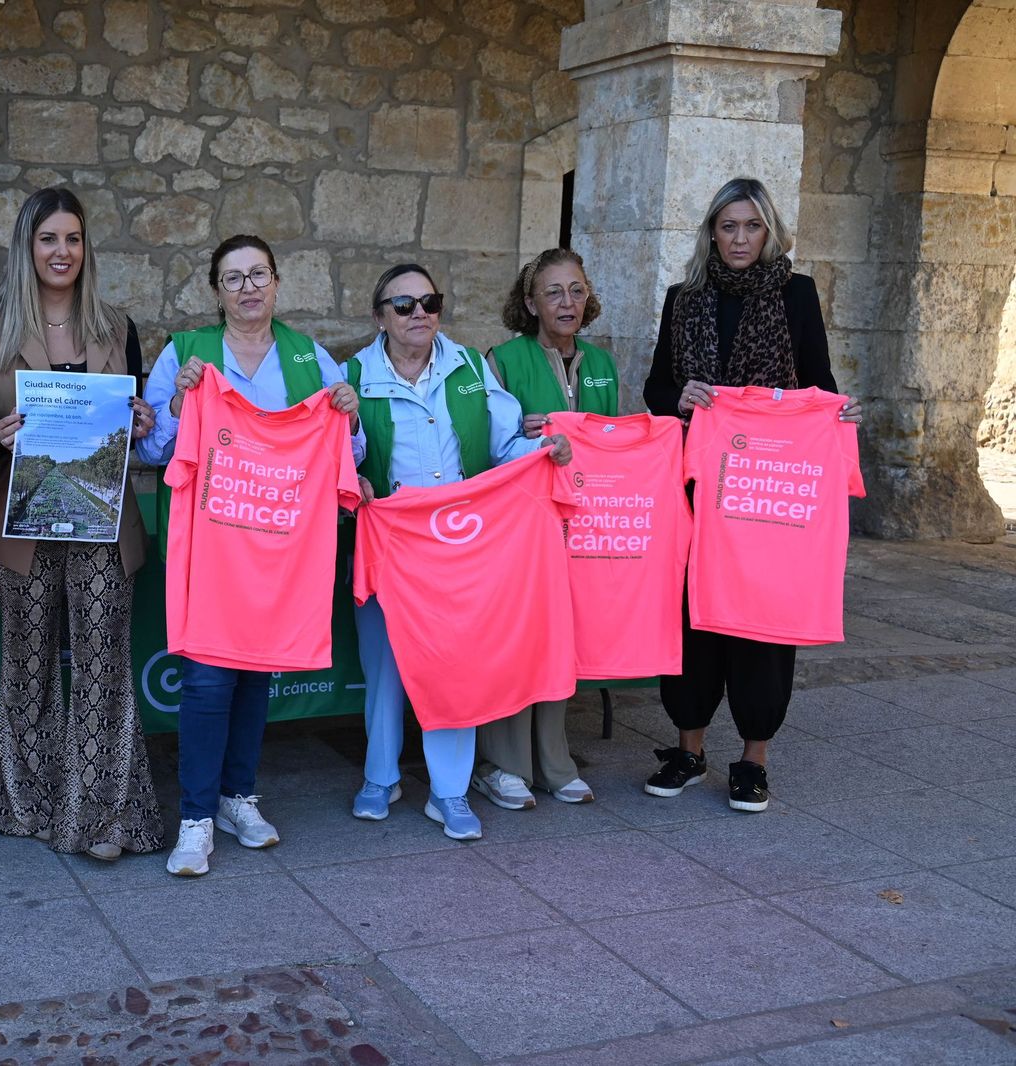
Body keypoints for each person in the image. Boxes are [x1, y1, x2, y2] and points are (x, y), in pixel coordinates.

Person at [139, 233, 364, 876]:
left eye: (258, 275)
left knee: (257, 676)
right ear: (216, 290)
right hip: (212, 550)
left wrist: (347, 415)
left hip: (280, 548)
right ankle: (195, 817)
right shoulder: (186, 354)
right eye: (233, 278)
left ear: (276, 282)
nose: (247, 288)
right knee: (209, 681)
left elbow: (350, 458)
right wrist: (180, 403)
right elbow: (155, 454)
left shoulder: (309, 357)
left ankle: (239, 796)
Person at [642, 176, 863, 813]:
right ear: (712, 231)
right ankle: (688, 747)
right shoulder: (683, 299)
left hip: (767, 489)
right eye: (729, 226)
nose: (740, 238)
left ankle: (752, 759)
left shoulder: (796, 294)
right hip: (697, 483)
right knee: (693, 617)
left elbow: (817, 381)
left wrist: (834, 416)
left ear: (769, 232)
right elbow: (658, 386)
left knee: (764, 622)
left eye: (752, 226)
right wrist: (679, 396)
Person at [0, 187, 163, 862]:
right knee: (27, 663)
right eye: (49, 239)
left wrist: (138, 427)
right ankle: (29, 805)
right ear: (27, 247)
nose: (62, 252)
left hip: (103, 522)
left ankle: (105, 819)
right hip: (21, 524)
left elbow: (127, 430)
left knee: (104, 663)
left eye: (73, 239)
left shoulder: (116, 325)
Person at [344, 263, 570, 839]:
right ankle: (380, 776)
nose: (420, 313)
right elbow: (339, 453)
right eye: (404, 305)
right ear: (380, 318)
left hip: (460, 546)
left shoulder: (469, 366)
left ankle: (448, 790)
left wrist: (544, 448)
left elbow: (505, 445)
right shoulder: (353, 376)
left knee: (456, 669)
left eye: (430, 301)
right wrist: (353, 477)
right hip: (390, 542)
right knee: (386, 668)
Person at [472, 248, 612, 812]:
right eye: (553, 291)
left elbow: (610, 441)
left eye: (576, 290)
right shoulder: (501, 359)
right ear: (529, 303)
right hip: (520, 523)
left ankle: (555, 761)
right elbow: (488, 444)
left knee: (561, 640)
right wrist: (525, 437)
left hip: (582, 523)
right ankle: (501, 764)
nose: (567, 302)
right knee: (515, 640)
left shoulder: (602, 363)